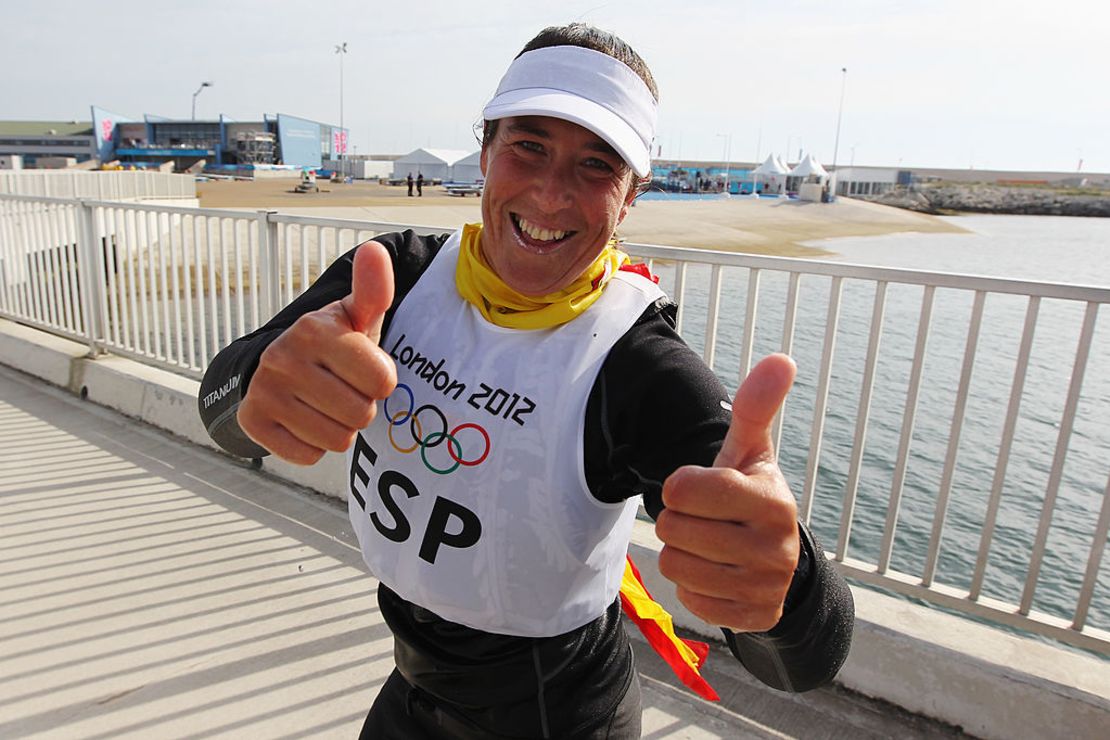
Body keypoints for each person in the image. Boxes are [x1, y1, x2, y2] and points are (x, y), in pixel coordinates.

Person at [198, 23, 853, 739]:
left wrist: (783, 590)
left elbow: (805, 663)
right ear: (485, 151)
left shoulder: (639, 368)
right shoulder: (397, 278)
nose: (549, 194)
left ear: (631, 195)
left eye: (597, 166)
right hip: (414, 689)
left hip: (559, 715)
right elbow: (220, 410)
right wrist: (261, 387)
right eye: (528, 146)